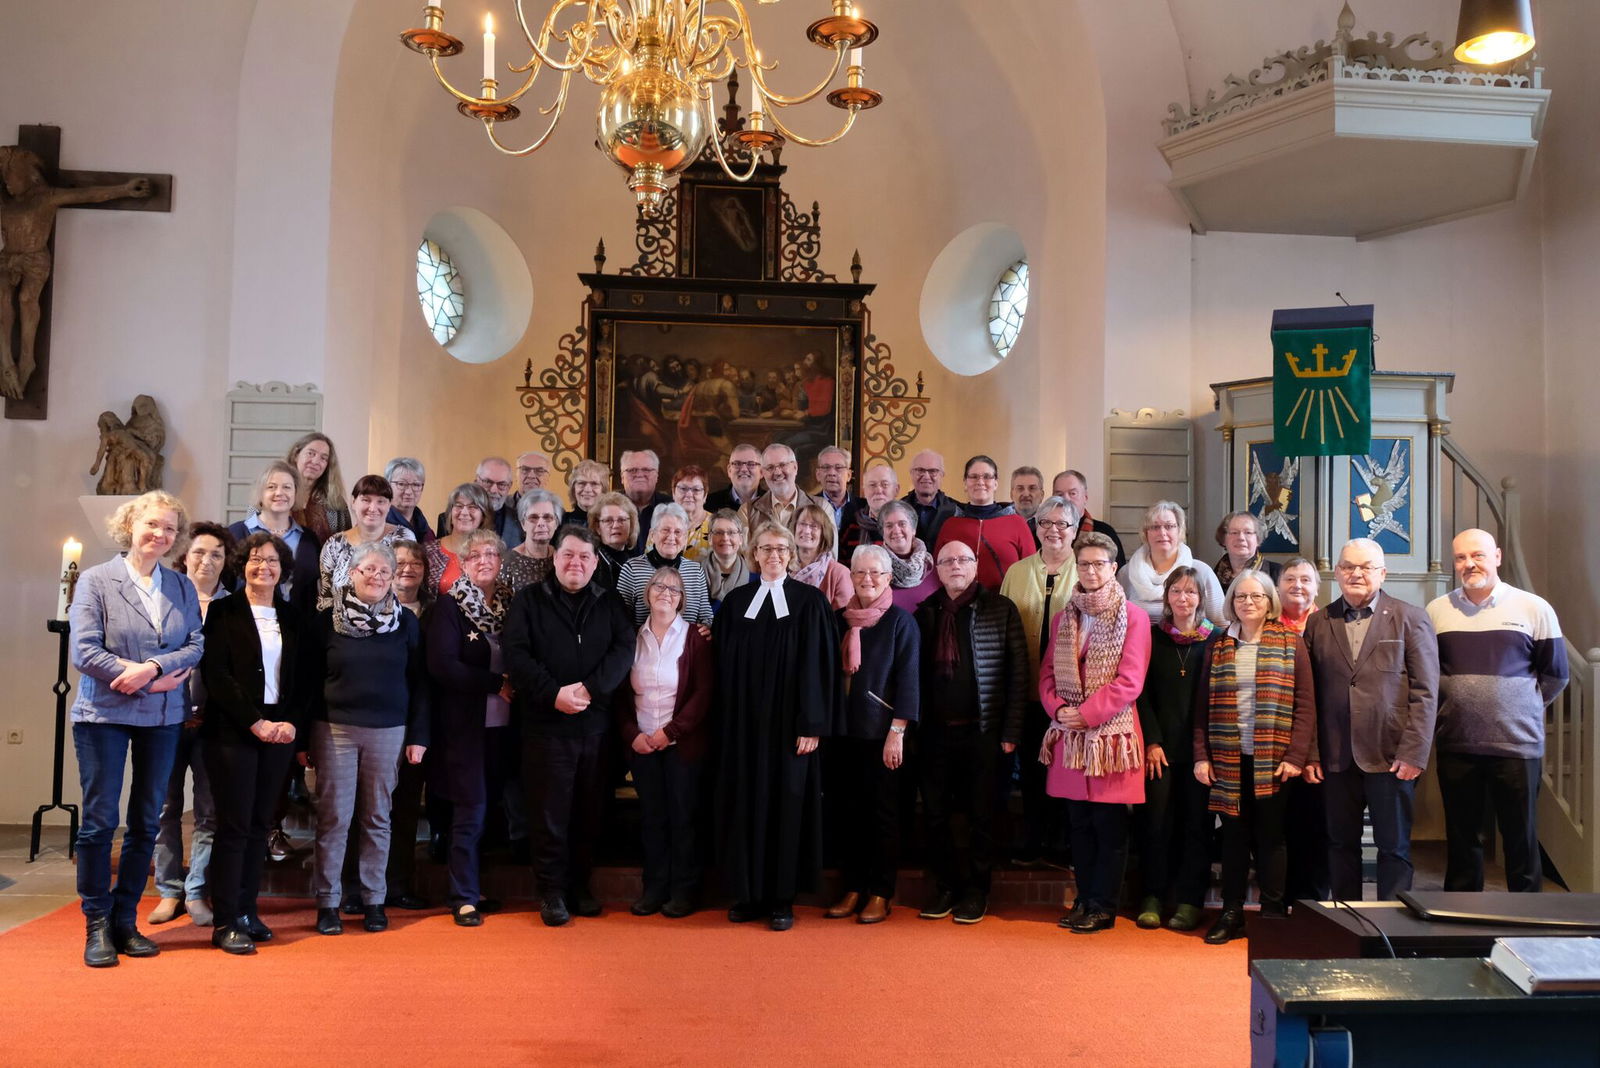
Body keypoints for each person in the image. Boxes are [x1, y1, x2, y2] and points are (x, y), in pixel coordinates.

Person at [68, 490, 204, 967]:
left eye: (170, 529)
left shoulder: (182, 586)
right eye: (152, 524)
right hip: (103, 714)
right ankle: (97, 924)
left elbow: (193, 645)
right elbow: (84, 651)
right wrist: (148, 678)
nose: (160, 535)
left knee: (147, 820)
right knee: (100, 822)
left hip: (162, 719)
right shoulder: (96, 581)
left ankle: (126, 921)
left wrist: (148, 668)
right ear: (131, 525)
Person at [713, 522, 841, 931]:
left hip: (791, 730)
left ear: (791, 554)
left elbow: (821, 669)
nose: (773, 555)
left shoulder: (810, 603)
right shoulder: (735, 603)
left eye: (780, 548)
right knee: (746, 802)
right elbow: (719, 668)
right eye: (765, 548)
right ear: (754, 554)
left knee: (787, 806)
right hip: (744, 729)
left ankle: (782, 898)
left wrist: (812, 724)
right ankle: (749, 894)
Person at [504, 525, 635, 926]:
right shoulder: (528, 601)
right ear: (554, 558)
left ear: (595, 562)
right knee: (549, 814)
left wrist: (591, 690)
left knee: (589, 812)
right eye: (568, 555)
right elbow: (517, 654)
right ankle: (551, 891)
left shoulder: (612, 603)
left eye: (584, 557)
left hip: (596, 727)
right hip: (545, 726)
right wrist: (553, 693)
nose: (576, 563)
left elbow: (623, 650)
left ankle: (580, 886)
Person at [1427, 528, 1568, 893]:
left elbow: (1555, 674)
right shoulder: (1437, 611)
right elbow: (1428, 675)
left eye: (1478, 555)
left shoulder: (1533, 607)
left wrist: (1518, 707)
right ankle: (1459, 919)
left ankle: (1526, 924)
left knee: (1520, 839)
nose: (1469, 563)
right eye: (1460, 557)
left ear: (1498, 557)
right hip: (1457, 744)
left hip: (1517, 746)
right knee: (1462, 841)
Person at [1302, 538, 1439, 901]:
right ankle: (1348, 921)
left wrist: (1414, 753)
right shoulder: (1318, 623)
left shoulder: (1411, 618)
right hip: (1335, 756)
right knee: (1339, 844)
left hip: (1391, 755)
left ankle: (1393, 928)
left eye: (1365, 567)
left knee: (1393, 848)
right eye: (1348, 566)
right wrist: (1312, 753)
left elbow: (1426, 691)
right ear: (1338, 572)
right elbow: (1309, 695)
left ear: (1382, 572)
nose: (1356, 573)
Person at [306, 542, 429, 936]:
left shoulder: (406, 623)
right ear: (352, 573)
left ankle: (375, 899)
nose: (375, 577)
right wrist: (302, 741)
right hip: (334, 728)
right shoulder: (325, 620)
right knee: (334, 818)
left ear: (393, 578)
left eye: (384, 572)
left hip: (389, 730)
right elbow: (306, 682)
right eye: (368, 570)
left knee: (378, 818)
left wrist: (418, 735)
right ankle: (329, 903)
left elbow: (420, 683)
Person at [199, 531, 309, 954]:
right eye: (256, 560)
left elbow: (303, 679)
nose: (264, 567)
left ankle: (247, 910)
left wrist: (289, 724)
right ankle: (225, 919)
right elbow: (217, 676)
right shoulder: (224, 612)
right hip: (233, 732)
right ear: (242, 565)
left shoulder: (293, 616)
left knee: (261, 825)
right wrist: (255, 723)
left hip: (280, 732)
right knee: (235, 826)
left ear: (284, 570)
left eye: (273, 562)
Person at [1192, 570, 1314, 944]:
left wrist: (1296, 755)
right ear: (1231, 601)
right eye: (1241, 596)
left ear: (1269, 601)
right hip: (1228, 758)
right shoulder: (1218, 645)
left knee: (1271, 838)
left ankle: (1272, 912)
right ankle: (1232, 912)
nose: (1248, 602)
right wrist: (1201, 755)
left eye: (1257, 596)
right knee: (1233, 838)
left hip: (1274, 759)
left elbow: (1306, 706)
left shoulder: (1290, 641)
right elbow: (1201, 709)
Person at [1039, 531, 1150, 934]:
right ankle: (1084, 899)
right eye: (1083, 564)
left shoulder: (1133, 616)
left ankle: (1103, 906)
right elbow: (1048, 673)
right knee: (1080, 827)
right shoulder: (1064, 616)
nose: (1090, 570)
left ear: (1113, 567)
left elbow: (1130, 681)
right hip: (1070, 739)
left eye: (1098, 564)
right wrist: (1059, 709)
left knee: (1110, 829)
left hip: (1110, 741)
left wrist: (1086, 714)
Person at [914, 539, 1028, 926]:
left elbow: (1018, 675)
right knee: (936, 815)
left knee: (982, 815)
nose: (956, 567)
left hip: (985, 731)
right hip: (934, 734)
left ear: (975, 566)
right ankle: (946, 887)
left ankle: (977, 891)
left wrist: (1011, 730)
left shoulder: (1001, 609)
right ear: (937, 569)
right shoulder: (926, 612)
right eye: (948, 561)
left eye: (963, 560)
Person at [825, 545, 919, 925]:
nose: (866, 580)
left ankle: (880, 891)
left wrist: (897, 732)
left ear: (888, 578)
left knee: (882, 816)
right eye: (859, 572)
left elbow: (909, 683)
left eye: (875, 574)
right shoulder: (838, 620)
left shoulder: (900, 622)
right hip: (843, 734)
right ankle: (852, 887)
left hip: (882, 736)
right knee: (848, 813)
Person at [426, 529, 515, 927]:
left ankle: (474, 887)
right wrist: (496, 684)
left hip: (505, 728)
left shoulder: (512, 603)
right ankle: (462, 896)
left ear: (500, 561)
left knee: (492, 809)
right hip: (465, 728)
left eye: (491, 555)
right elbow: (443, 666)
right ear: (463, 562)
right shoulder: (449, 607)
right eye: (475, 555)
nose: (484, 560)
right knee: (471, 810)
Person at [614, 566, 714, 917]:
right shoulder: (631, 638)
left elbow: (703, 694)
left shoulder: (696, 638)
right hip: (642, 745)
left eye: (674, 589)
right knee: (652, 819)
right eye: (659, 586)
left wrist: (669, 733)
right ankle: (653, 889)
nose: (666, 593)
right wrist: (633, 736)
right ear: (647, 593)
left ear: (682, 598)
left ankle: (683, 891)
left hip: (681, 746)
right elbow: (620, 694)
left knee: (683, 818)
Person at [149, 522, 234, 929]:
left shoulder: (234, 606)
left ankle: (197, 889)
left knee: (208, 811)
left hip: (214, 724)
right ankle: (168, 889)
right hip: (164, 718)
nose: (207, 560)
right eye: (200, 552)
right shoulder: (164, 597)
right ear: (185, 556)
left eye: (216, 554)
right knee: (164, 807)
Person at [1133, 567, 1219, 933]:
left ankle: (1189, 901)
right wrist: (1151, 741)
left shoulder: (1217, 640)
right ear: (1166, 597)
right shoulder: (1152, 637)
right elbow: (1141, 694)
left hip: (1202, 752)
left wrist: (1208, 751)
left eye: (1190, 592)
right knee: (1155, 824)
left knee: (1195, 827)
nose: (1183, 598)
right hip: (1160, 751)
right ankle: (1152, 896)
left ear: (1201, 597)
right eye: (1176, 591)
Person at [998, 495, 1080, 867]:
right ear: (1036, 528)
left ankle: (1063, 844)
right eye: (1045, 523)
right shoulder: (1017, 571)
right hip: (1026, 688)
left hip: (1072, 694)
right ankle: (1032, 841)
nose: (1053, 531)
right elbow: (1001, 628)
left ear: (1075, 530)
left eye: (1062, 524)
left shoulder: (1087, 570)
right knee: (1032, 769)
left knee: (1067, 767)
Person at [934, 455, 1035, 591]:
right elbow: (937, 571)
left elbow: (1031, 571)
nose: (980, 482)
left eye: (987, 476)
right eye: (974, 477)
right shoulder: (950, 525)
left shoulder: (1017, 524)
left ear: (995, 483)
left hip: (1005, 605)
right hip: (958, 604)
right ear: (965, 483)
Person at [228, 461, 321, 608]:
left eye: (287, 487)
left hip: (298, 627)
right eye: (271, 487)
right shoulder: (235, 533)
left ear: (296, 493)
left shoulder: (309, 539)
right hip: (244, 624)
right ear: (260, 494)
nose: (279, 493)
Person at [317, 474, 416, 610]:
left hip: (394, 625)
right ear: (353, 502)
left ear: (389, 505)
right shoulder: (334, 545)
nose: (373, 508)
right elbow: (326, 598)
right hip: (340, 626)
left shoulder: (404, 538)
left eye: (380, 501)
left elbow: (411, 589)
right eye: (366, 500)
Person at [1116, 500, 1225, 624]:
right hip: (1138, 642)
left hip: (1189, 642)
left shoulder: (1201, 571)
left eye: (1169, 526)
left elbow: (1221, 623)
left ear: (1179, 530)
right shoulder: (1126, 573)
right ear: (1146, 533)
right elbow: (1116, 621)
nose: (1162, 533)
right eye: (1155, 527)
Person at [617, 504, 715, 625]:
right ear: (652, 535)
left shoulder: (695, 571)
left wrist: (705, 628)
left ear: (685, 539)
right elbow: (620, 618)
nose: (671, 537)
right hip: (642, 641)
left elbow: (706, 616)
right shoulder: (632, 568)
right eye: (665, 530)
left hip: (687, 643)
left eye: (678, 532)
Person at [741, 443, 827, 536]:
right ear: (763, 473)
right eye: (770, 467)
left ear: (795, 467)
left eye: (783, 465)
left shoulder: (822, 507)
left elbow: (828, 549)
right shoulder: (747, 511)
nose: (777, 472)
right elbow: (742, 550)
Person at [436, 457, 523, 548]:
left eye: (502, 484)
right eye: (488, 482)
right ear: (476, 481)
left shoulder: (521, 521)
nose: (493, 490)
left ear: (509, 486)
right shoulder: (447, 519)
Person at [426, 483, 492, 596]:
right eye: (459, 506)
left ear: (483, 516)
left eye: (473, 507)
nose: (464, 513)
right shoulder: (428, 551)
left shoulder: (492, 555)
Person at [1053, 469, 1126, 567]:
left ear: (1085, 497)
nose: (1066, 499)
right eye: (1059, 494)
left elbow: (1117, 574)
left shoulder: (1105, 532)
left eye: (1072, 493)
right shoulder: (1045, 532)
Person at [286, 432, 349, 542]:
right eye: (310, 453)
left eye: (323, 458)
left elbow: (346, 544)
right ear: (296, 455)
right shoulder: (271, 493)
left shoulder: (335, 502)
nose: (315, 461)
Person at [880, 499, 939, 612]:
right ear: (883, 533)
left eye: (902, 524)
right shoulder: (875, 568)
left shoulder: (933, 568)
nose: (896, 530)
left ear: (913, 530)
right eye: (889, 526)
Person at [792, 502, 853, 610]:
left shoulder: (839, 573)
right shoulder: (784, 569)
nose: (806, 531)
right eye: (802, 524)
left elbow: (844, 621)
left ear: (824, 533)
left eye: (813, 526)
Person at [502, 488, 562, 594]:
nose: (541, 523)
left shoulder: (563, 558)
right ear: (523, 524)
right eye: (533, 517)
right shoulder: (507, 562)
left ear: (556, 523)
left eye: (547, 517)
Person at [839, 460, 900, 560]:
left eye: (884, 484)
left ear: (896, 489)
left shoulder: (905, 526)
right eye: (872, 485)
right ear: (864, 491)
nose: (878, 490)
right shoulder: (851, 525)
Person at [1214, 510, 1282, 590]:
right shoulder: (1211, 576)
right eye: (1234, 532)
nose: (1241, 538)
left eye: (1248, 532)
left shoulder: (1278, 573)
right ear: (1223, 539)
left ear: (1257, 539)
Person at [903, 449, 959, 546]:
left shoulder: (957, 512)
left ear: (942, 475)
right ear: (911, 473)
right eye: (920, 470)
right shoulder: (898, 509)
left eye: (933, 471)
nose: (926, 476)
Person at [588, 491, 641, 592]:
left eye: (621, 520)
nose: (616, 525)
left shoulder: (636, 562)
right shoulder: (592, 563)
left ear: (631, 525)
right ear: (598, 527)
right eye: (608, 520)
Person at [620, 449, 670, 549]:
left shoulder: (671, 507)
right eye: (632, 470)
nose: (639, 474)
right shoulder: (607, 507)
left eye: (646, 470)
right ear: (622, 477)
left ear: (657, 476)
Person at [704, 509, 752, 611]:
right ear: (709, 539)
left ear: (741, 539)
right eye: (719, 532)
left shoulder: (755, 579)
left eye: (731, 532)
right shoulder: (694, 575)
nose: (725, 538)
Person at [705, 443, 764, 514]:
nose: (744, 469)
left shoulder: (773, 504)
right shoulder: (708, 504)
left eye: (751, 464)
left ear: (761, 472)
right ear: (729, 471)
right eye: (737, 464)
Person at [384, 457, 433, 543]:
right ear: (387, 486)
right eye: (401, 484)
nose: (409, 491)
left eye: (415, 485)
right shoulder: (378, 523)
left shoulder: (425, 528)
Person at [670, 464, 713, 560]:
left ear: (705, 495)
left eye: (696, 490)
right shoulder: (660, 524)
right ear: (673, 493)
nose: (689, 494)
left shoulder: (717, 526)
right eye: (683, 489)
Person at [813, 445, 856, 531]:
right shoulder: (808, 506)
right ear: (818, 475)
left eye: (838, 468)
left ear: (848, 475)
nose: (832, 473)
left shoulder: (864, 508)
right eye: (826, 467)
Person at [1277, 557, 1320, 633]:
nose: (1297, 585)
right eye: (1290, 579)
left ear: (1316, 589)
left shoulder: (1327, 624)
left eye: (1305, 580)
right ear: (1278, 587)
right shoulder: (1263, 621)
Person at [564, 459, 610, 527]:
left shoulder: (611, 522)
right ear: (573, 489)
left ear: (603, 490)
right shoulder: (561, 521)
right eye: (582, 483)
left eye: (594, 484)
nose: (587, 489)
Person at [392, 540, 432, 615]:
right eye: (400, 563)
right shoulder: (373, 609)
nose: (408, 569)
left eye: (416, 564)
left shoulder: (436, 610)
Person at [1011, 465, 1045, 546]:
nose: (1026, 494)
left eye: (1032, 488)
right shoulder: (999, 520)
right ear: (1011, 494)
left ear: (1042, 495)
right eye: (1020, 488)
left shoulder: (1050, 525)